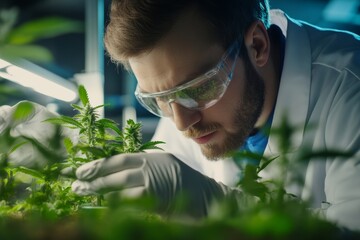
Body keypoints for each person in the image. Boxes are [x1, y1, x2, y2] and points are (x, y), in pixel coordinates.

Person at [1, 0, 359, 231]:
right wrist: (73, 162)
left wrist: (214, 207)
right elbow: (153, 194)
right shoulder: (188, 115)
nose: (181, 123)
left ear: (257, 45)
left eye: (199, 89)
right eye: (158, 99)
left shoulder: (349, 90)